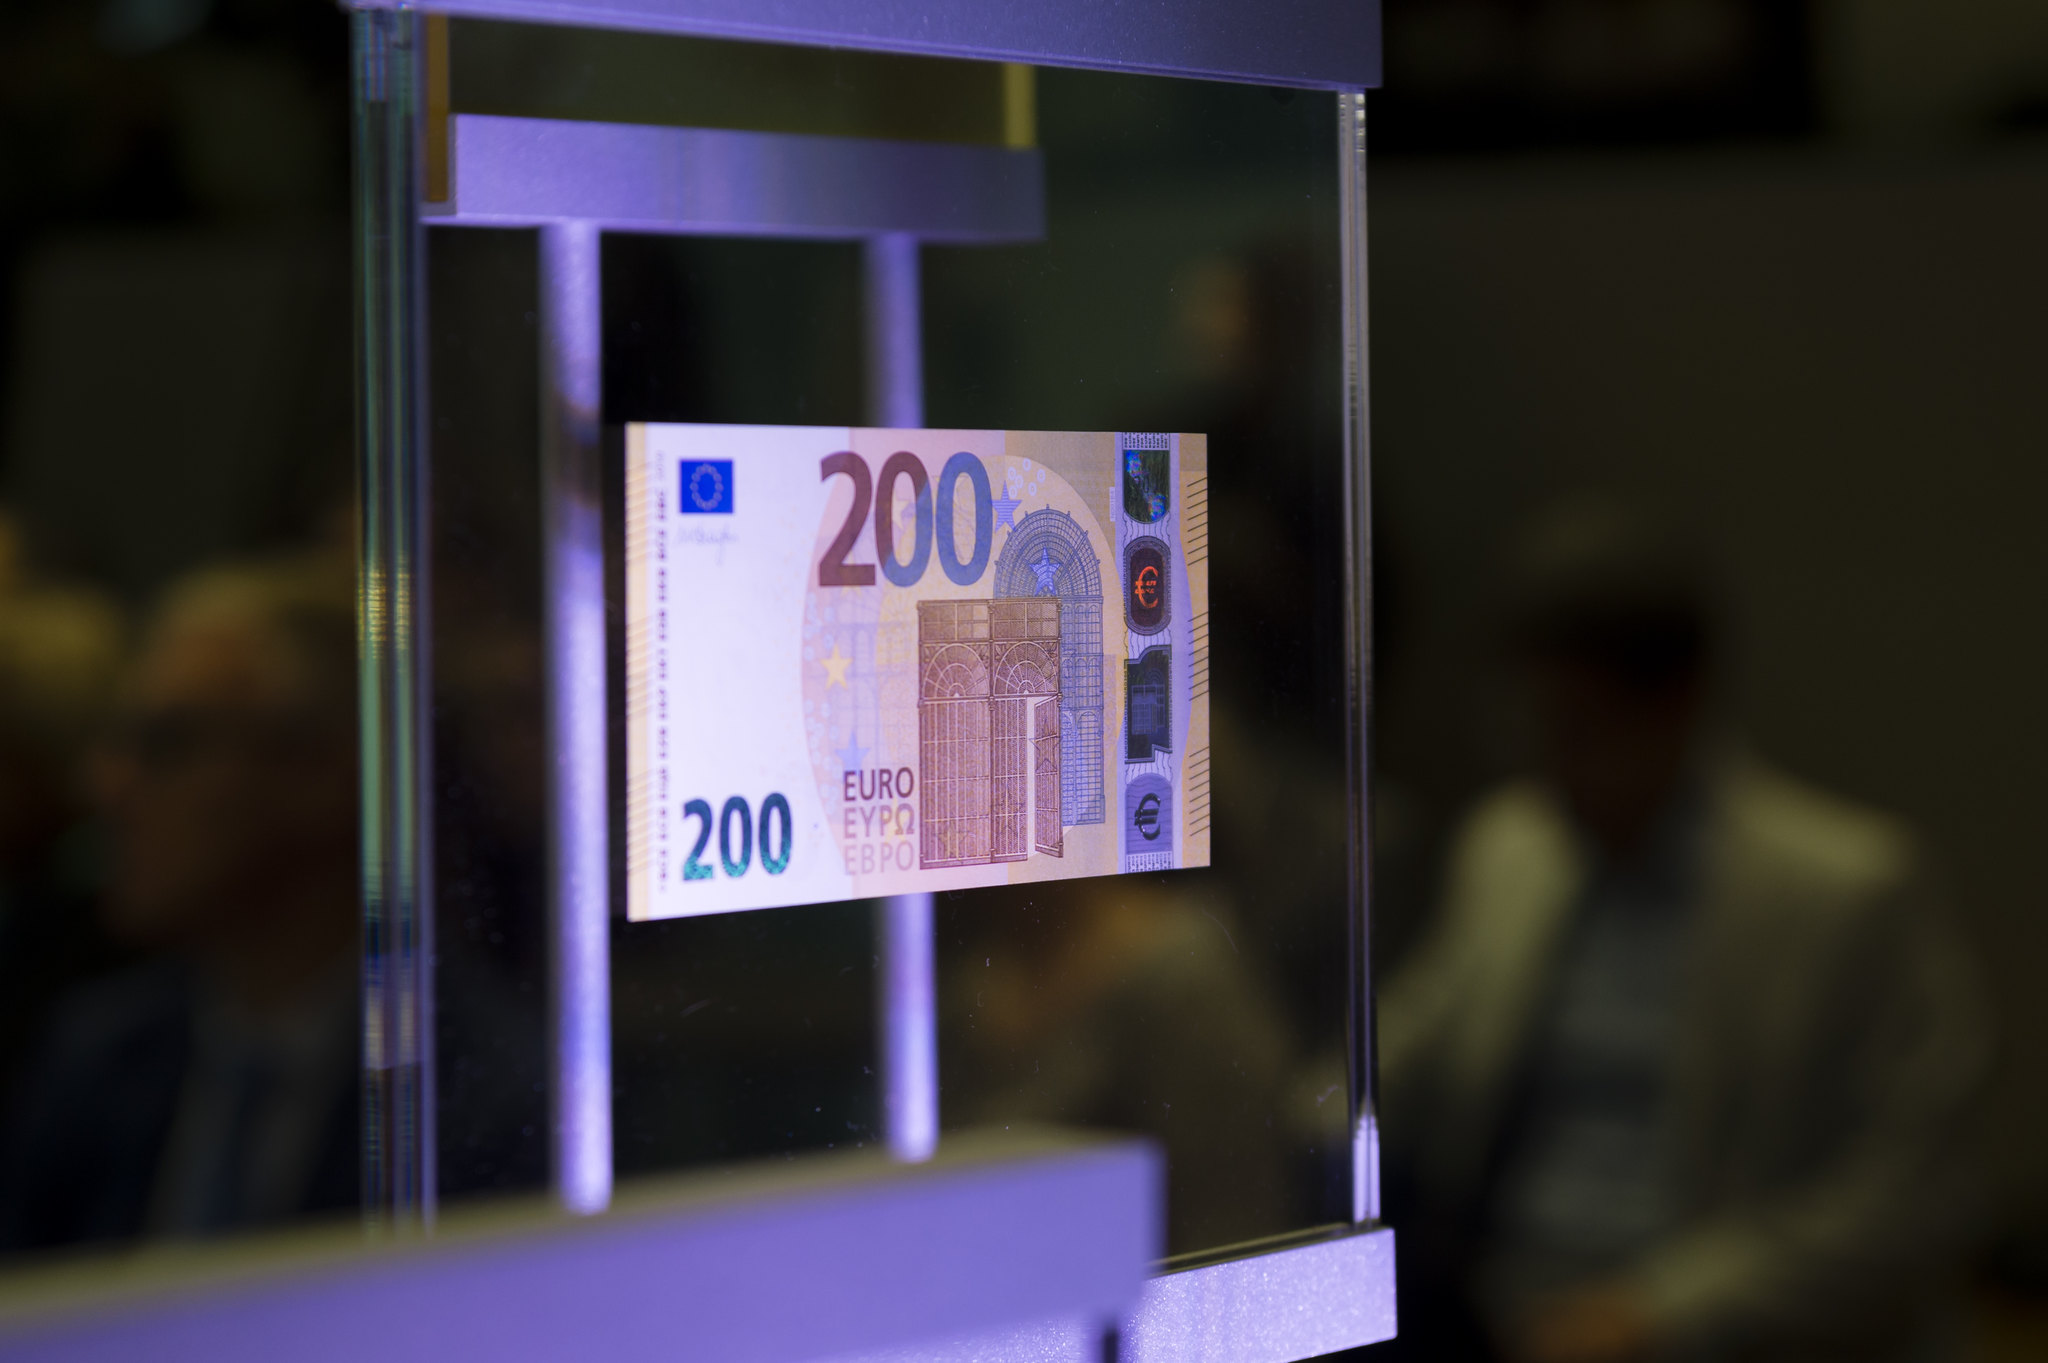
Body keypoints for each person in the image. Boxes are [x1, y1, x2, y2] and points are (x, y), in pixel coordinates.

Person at [1378, 496, 1991, 1363]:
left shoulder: (1847, 889)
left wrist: (1660, 1311)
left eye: (1582, 731)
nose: (1553, 769)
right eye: (1535, 729)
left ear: (1680, 703)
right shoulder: (1512, 847)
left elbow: (1915, 1191)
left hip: (1706, 1329)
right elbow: (1413, 1045)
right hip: (1496, 1307)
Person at [0, 551, 359, 1248]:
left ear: (322, 773)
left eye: (166, 742)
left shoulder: (482, 1094)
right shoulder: (98, 1055)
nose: (107, 785)